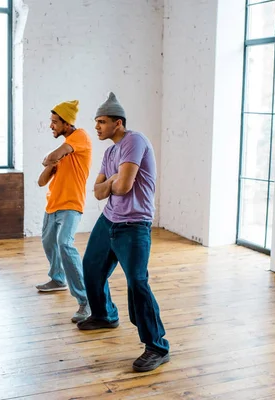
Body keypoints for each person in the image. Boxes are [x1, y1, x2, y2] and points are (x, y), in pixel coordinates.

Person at [77, 92, 170, 372]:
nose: (97, 127)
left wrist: (113, 181)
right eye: (96, 122)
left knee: (137, 284)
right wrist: (112, 181)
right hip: (109, 220)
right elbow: (97, 192)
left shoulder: (134, 141)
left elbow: (124, 187)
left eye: (102, 122)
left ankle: (157, 346)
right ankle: (105, 315)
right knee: (91, 268)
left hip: (134, 225)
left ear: (118, 123)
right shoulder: (109, 152)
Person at [36, 100, 92, 323]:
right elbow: (42, 181)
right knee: (48, 242)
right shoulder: (63, 152)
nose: (51, 126)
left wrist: (50, 158)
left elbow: (49, 158)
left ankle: (85, 300)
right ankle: (58, 279)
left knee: (65, 244)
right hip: (52, 205)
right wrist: (51, 161)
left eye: (54, 122)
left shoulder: (80, 137)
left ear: (67, 123)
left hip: (71, 204)